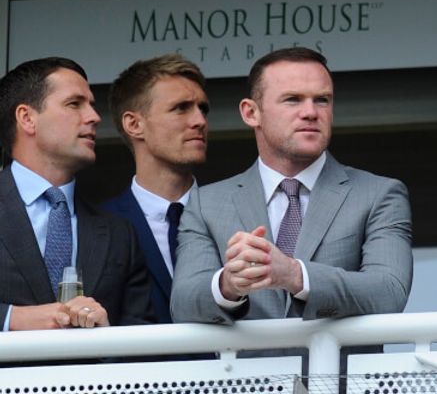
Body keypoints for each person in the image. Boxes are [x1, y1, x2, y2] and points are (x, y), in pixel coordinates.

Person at [170, 47, 412, 326]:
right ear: (251, 113)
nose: (310, 112)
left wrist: (295, 275)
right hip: (248, 371)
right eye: (293, 100)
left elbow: (390, 292)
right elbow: (183, 304)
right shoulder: (205, 203)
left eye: (322, 100)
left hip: (339, 370)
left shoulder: (379, 194)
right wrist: (228, 284)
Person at [0, 57, 154, 331]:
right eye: (74, 104)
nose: (94, 117)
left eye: (92, 105)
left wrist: (105, 335)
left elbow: (140, 333)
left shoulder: (120, 234)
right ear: (27, 118)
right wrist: (12, 319)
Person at [102, 54, 209, 324]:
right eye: (181, 108)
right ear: (134, 124)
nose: (199, 120)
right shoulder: (96, 227)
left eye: (202, 108)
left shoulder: (235, 213)